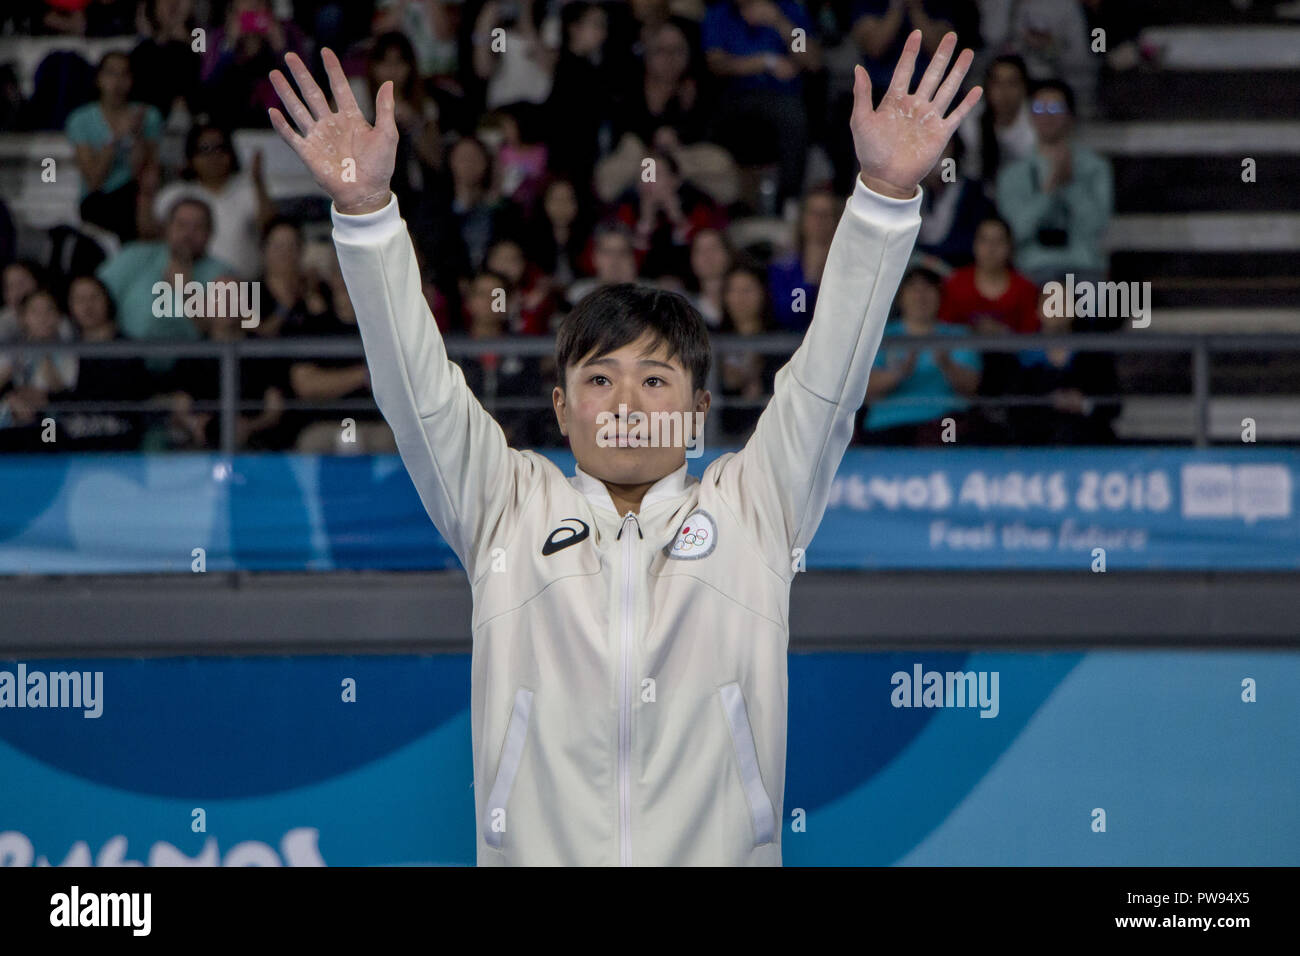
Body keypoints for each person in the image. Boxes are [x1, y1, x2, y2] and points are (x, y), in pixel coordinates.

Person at [267, 31, 982, 865]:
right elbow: (415, 391)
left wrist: (886, 200)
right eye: (600, 381)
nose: (628, 403)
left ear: (699, 409)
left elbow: (831, 379)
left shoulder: (755, 507)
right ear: (562, 411)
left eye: (656, 380)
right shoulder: (506, 508)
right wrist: (366, 217)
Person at [995, 78, 1112, 286]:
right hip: (1032, 268)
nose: (1047, 116)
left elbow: (1097, 226)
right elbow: (1015, 232)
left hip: (1083, 266)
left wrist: (1070, 185)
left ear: (1070, 115)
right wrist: (1049, 190)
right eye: (1039, 108)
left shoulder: (1095, 167)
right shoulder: (1012, 174)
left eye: (1056, 108)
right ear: (1030, 116)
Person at [859, 265, 981, 444]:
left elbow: (971, 387)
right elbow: (863, 388)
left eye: (928, 289)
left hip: (945, 421)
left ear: (940, 296)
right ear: (900, 297)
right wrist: (899, 373)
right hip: (888, 422)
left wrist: (946, 364)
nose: (921, 296)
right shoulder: (881, 336)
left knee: (954, 433)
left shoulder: (957, 334)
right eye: (914, 289)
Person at [65, 51, 164, 242]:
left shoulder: (148, 115)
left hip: (137, 196)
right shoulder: (80, 119)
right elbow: (94, 179)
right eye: (110, 73)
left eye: (124, 74)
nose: (117, 82)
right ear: (98, 79)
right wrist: (116, 136)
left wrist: (137, 135)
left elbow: (145, 172)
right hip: (99, 199)